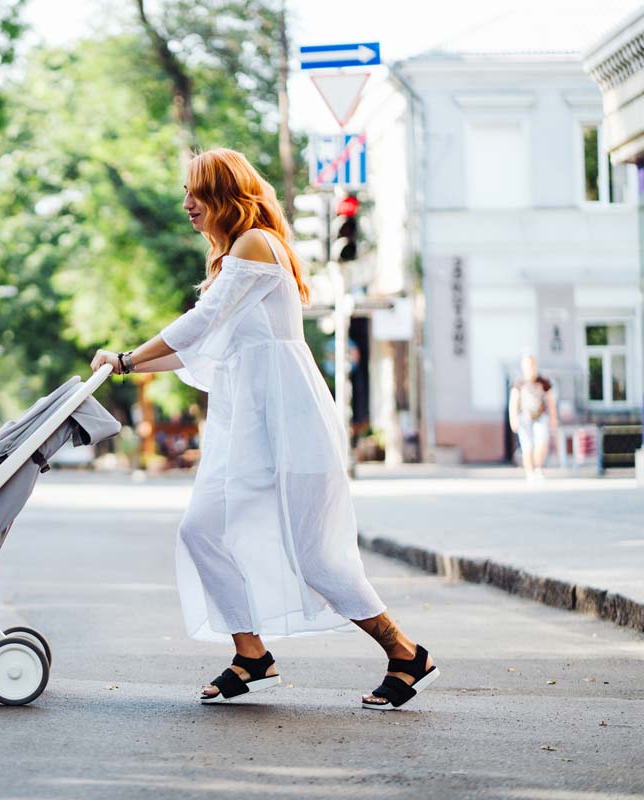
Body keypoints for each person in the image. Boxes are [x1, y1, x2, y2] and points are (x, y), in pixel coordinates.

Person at [90, 148, 438, 710]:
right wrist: (122, 368)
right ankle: (251, 653)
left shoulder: (255, 244)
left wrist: (128, 357)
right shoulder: (233, 258)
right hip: (243, 424)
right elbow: (197, 347)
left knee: (315, 552)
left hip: (287, 418)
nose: (186, 205)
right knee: (200, 530)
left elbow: (199, 323)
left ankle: (405, 653)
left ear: (226, 194)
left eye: (195, 194)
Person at [509, 354, 558, 480]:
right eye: (527, 365)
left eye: (531, 365)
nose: (529, 368)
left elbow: (550, 401)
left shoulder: (543, 382)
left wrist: (553, 417)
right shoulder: (519, 382)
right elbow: (513, 401)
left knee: (541, 442)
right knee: (527, 445)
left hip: (540, 416)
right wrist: (513, 418)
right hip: (524, 418)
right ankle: (529, 472)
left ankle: (538, 468)